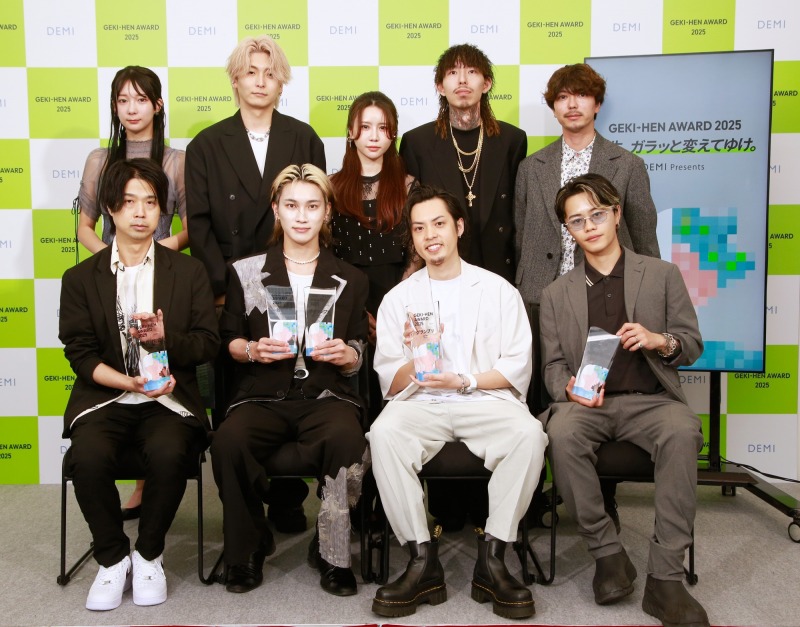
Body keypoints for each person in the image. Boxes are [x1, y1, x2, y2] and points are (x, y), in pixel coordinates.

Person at [368, 185, 547, 619]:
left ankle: (494, 558)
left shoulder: (498, 290)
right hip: (422, 403)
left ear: (459, 227)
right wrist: (415, 359)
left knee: (529, 433)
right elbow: (390, 382)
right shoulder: (398, 299)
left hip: (483, 398)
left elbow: (515, 369)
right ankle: (421, 559)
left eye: (439, 224)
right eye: (419, 228)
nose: (430, 235)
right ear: (412, 238)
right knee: (383, 433)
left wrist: (464, 380)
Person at [538, 173, 708, 627]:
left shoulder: (662, 274)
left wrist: (658, 339)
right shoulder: (555, 294)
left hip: (652, 402)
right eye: (577, 221)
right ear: (568, 230)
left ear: (616, 214)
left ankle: (665, 578)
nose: (589, 226)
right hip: (587, 407)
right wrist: (568, 388)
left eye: (596, 214)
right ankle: (607, 553)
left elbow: (691, 344)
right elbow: (552, 366)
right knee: (560, 431)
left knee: (683, 432)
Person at [59, 158, 220, 611]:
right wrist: (127, 380)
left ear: (162, 210)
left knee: (170, 452)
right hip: (105, 397)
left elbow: (207, 344)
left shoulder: (188, 272)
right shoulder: (79, 279)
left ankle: (149, 555)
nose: (140, 212)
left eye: (150, 202)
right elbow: (80, 354)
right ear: (110, 208)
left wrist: (166, 340)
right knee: (87, 457)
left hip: (168, 399)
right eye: (129, 202)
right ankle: (112, 559)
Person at [186, 35, 325, 532]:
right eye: (251, 72)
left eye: (270, 73)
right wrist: (225, 287)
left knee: (293, 383)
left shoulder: (303, 137)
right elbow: (199, 224)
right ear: (235, 79)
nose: (261, 81)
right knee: (239, 399)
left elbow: (314, 212)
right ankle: (247, 510)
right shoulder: (206, 144)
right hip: (232, 289)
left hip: (295, 280)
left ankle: (287, 498)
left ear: (281, 81)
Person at [210, 164, 369, 597]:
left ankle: (332, 550)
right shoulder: (246, 272)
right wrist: (251, 349)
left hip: (325, 394)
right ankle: (248, 546)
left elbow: (358, 344)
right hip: (262, 394)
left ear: (327, 212)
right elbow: (227, 340)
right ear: (276, 209)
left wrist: (349, 355)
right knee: (228, 442)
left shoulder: (350, 278)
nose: (302, 216)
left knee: (348, 440)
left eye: (312, 206)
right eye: (292, 205)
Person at [514, 63, 661, 525]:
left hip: (608, 298)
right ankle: (537, 496)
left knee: (602, 392)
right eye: (562, 97)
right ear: (554, 107)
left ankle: (602, 498)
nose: (572, 104)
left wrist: (647, 302)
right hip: (542, 297)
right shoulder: (531, 167)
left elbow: (645, 238)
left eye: (581, 95)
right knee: (546, 393)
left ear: (597, 103)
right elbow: (522, 233)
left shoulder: (627, 164)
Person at [400, 43, 528, 530]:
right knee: (437, 385)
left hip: (495, 278)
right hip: (436, 277)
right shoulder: (416, 142)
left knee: (487, 391)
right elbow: (415, 215)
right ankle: (443, 509)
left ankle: (492, 511)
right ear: (439, 85)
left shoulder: (511, 140)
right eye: (451, 73)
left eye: (471, 72)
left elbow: (519, 218)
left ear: (486, 83)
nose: (461, 81)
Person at [76, 67, 189, 518]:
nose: (132, 108)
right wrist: (117, 261)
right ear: (114, 107)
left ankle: (146, 481)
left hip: (159, 281)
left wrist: (150, 256)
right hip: (111, 278)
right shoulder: (99, 160)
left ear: (157, 106)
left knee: (155, 374)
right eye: (123, 100)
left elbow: (189, 229)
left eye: (141, 99)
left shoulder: (177, 160)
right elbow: (85, 228)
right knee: (113, 364)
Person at [330, 91, 414, 417]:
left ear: (393, 133)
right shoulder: (331, 187)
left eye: (383, 127)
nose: (374, 136)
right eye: (365, 127)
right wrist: (359, 313)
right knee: (354, 399)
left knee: (395, 400)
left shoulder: (409, 186)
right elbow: (325, 255)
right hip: (345, 301)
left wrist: (393, 310)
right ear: (351, 132)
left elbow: (416, 253)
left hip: (398, 297)